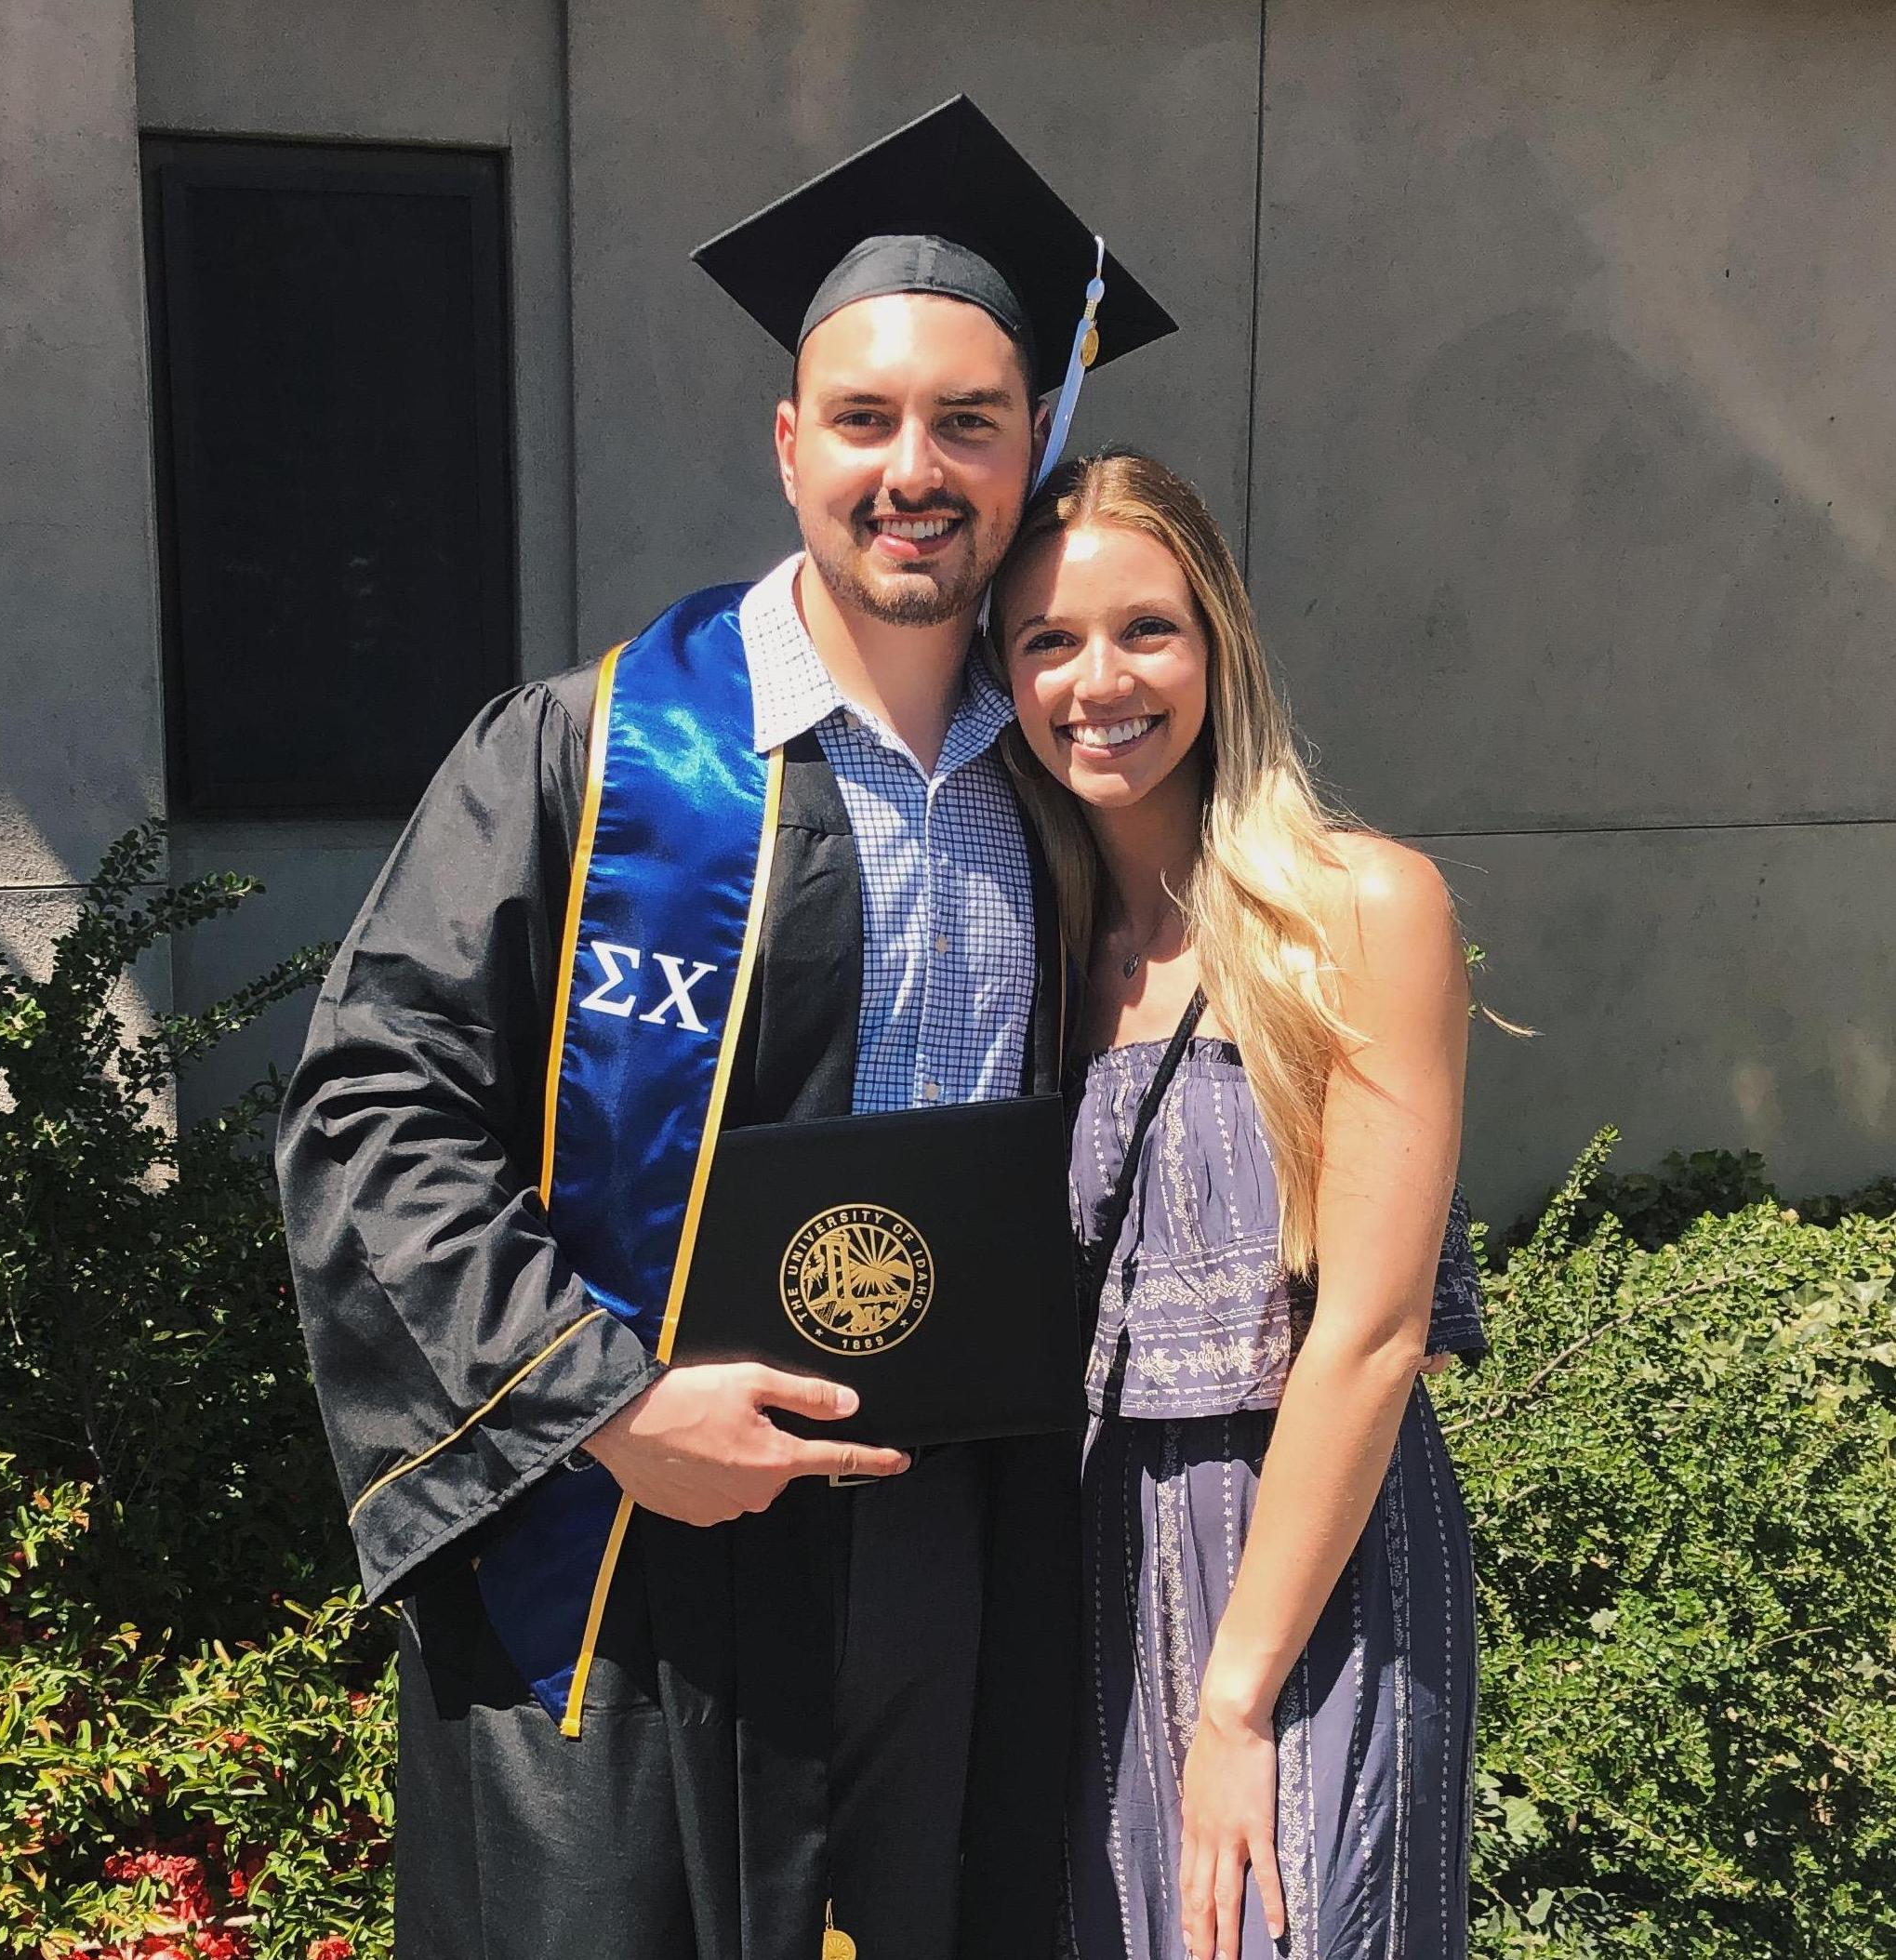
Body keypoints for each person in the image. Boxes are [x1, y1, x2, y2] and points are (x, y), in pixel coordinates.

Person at [275, 101, 1171, 1960]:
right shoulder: (590, 757)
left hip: (952, 1540)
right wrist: (605, 1407)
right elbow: (373, 1111)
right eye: (863, 419)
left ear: (1030, 455)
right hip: (625, 1536)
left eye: (967, 423)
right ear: (790, 446)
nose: (910, 470)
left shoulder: (1069, 791)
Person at [990, 451, 1484, 1960]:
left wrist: (1234, 1698)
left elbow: (1376, 1335)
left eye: (1149, 629)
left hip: (1309, 1574)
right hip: (1089, 1579)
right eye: (1049, 643)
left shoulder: (1359, 909)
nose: (1100, 680)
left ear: (1220, 643)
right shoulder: (1044, 947)